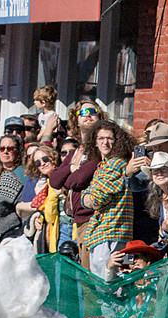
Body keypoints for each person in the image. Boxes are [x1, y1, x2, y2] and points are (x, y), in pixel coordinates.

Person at [48, 97, 108, 270]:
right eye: (83, 112)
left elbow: (78, 180)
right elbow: (54, 180)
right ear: (76, 120)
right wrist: (73, 167)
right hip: (77, 221)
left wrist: (71, 174)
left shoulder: (99, 150)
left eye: (92, 112)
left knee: (91, 278)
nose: (88, 116)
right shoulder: (74, 153)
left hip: (94, 220)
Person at [81, 120, 134, 278]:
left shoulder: (116, 164)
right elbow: (84, 199)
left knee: (108, 284)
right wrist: (89, 199)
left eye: (110, 138)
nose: (105, 142)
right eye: (101, 138)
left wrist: (91, 200)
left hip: (112, 232)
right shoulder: (101, 167)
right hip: (101, 234)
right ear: (95, 142)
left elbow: (95, 199)